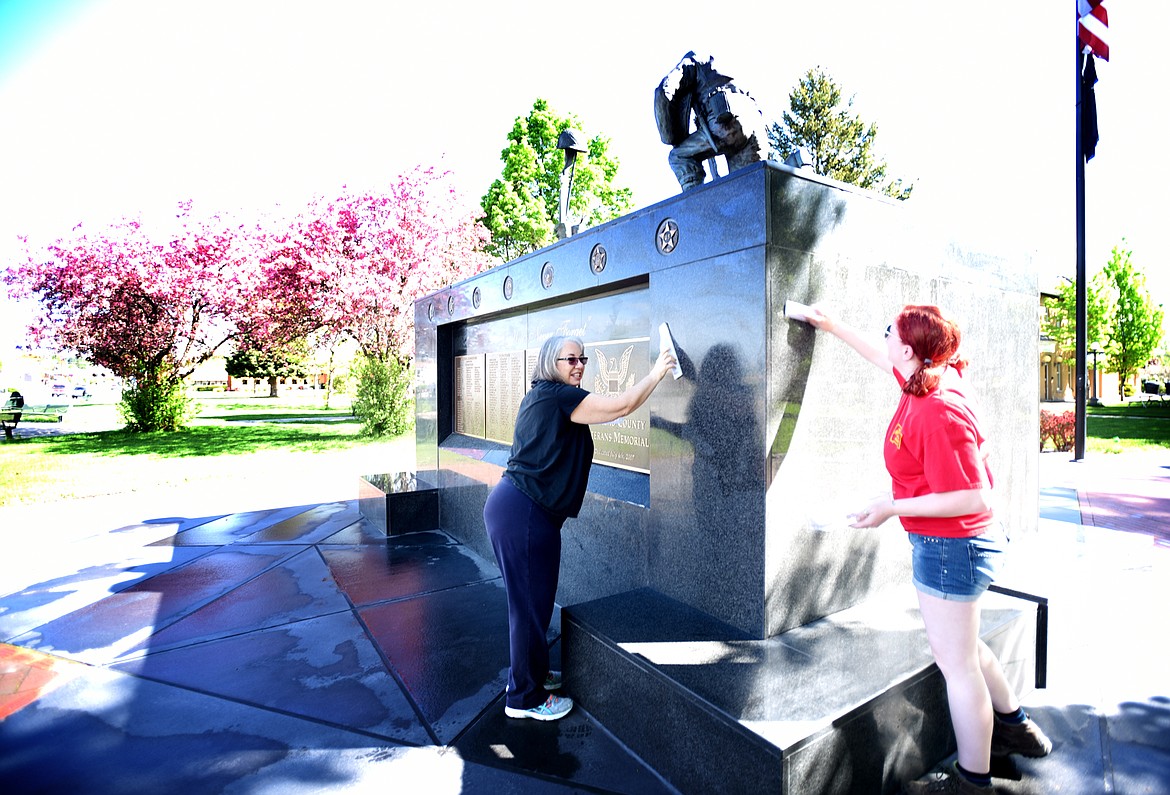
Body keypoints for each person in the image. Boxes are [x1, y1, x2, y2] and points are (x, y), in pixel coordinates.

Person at [798, 304, 1052, 794]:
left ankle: (973, 779)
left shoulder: (939, 407)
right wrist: (830, 324)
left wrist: (892, 506)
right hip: (951, 544)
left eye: (890, 329)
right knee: (966, 649)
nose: (885, 334)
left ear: (911, 350)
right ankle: (1017, 728)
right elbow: (879, 355)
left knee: (957, 666)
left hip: (951, 548)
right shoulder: (926, 375)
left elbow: (974, 494)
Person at [483, 335, 676, 721]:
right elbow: (621, 405)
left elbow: (616, 412)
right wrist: (658, 370)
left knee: (531, 606)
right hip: (525, 513)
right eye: (569, 358)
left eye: (582, 358)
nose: (579, 365)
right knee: (528, 609)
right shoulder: (557, 396)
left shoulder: (547, 396)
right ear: (549, 362)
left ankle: (530, 676)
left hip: (521, 510)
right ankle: (524, 699)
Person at [654, 51, 766, 191]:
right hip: (752, 123)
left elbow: (663, 92)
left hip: (724, 121)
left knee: (678, 157)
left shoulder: (692, 61)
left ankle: (694, 204)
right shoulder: (726, 65)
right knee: (746, 192)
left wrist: (670, 136)